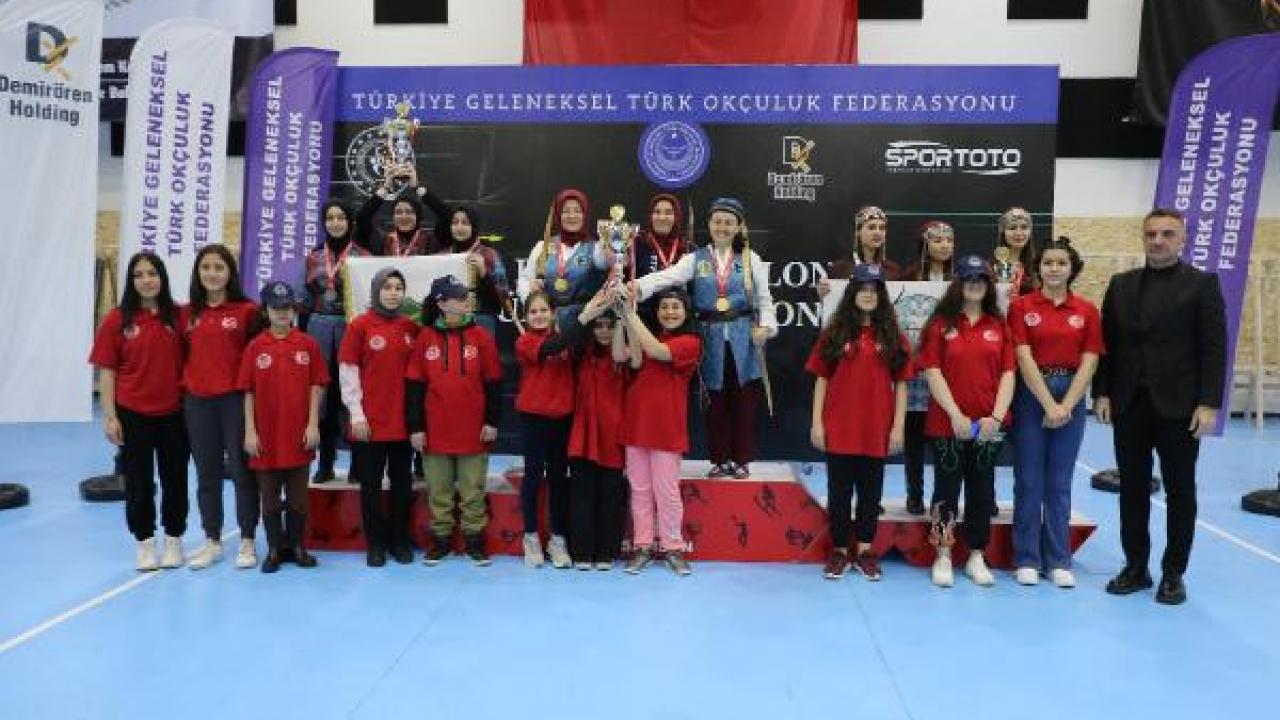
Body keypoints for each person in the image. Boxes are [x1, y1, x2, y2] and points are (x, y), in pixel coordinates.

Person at [1094, 209, 1227, 605]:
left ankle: (1173, 572)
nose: (1158, 240)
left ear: (1183, 239)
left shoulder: (1202, 285)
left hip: (1180, 407)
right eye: (1151, 234)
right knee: (1132, 490)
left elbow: (1214, 348)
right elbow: (1107, 346)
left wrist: (1208, 402)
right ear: (1143, 238)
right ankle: (1136, 567)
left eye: (1168, 234)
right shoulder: (1121, 285)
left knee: (1180, 491)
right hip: (1129, 404)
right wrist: (1102, 393)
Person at [635, 197, 777, 478]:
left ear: (739, 227)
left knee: (744, 402)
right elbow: (666, 277)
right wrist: (635, 287)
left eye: (729, 222)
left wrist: (767, 328)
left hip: (743, 337)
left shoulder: (751, 259)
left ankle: (742, 460)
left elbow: (765, 300)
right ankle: (720, 459)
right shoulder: (695, 259)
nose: (722, 227)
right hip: (709, 337)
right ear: (709, 225)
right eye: (717, 221)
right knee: (714, 401)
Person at [1007, 238, 1101, 588]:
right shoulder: (1021, 307)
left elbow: (1090, 360)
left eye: (1062, 263)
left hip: (1071, 393)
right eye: (1048, 262)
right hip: (1033, 394)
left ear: (1072, 269)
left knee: (1059, 483)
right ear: (1038, 268)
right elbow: (1022, 355)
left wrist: (1067, 405)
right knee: (1029, 480)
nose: (1054, 268)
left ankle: (1058, 560)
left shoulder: (1086, 311)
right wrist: (1048, 403)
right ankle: (1026, 558)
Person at [808, 264, 911, 581]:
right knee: (838, 493)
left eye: (874, 289)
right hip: (839, 428)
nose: (868, 295)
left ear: (881, 295)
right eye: (862, 289)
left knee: (870, 494)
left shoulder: (892, 336)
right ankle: (839, 551)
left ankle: (865, 551)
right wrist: (817, 423)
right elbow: (822, 379)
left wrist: (898, 426)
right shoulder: (835, 332)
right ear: (852, 293)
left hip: (876, 429)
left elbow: (902, 383)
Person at [917, 255, 1016, 588]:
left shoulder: (999, 326)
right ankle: (943, 555)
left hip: (990, 426)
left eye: (981, 279)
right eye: (969, 278)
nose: (975, 284)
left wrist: (996, 417)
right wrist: (955, 415)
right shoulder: (940, 325)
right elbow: (932, 372)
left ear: (988, 285)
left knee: (982, 489)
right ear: (958, 284)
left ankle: (976, 555)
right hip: (947, 424)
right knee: (945, 490)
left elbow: (1008, 374)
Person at [89, 252, 189, 571]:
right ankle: (144, 542)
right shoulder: (116, 320)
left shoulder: (179, 316)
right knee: (139, 482)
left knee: (175, 479)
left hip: (175, 413)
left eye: (152, 273)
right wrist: (110, 416)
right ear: (131, 281)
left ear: (162, 278)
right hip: (133, 413)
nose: (146, 280)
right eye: (139, 275)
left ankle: (173, 539)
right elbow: (107, 370)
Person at [406, 275, 503, 567]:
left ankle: (475, 541)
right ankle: (441, 541)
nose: (466, 301)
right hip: (435, 430)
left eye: (466, 295)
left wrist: (491, 421)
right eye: (460, 297)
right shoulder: (425, 338)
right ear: (442, 304)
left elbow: (493, 383)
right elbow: (415, 387)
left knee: (473, 490)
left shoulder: (482, 337)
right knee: (439, 491)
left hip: (473, 430)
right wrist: (416, 427)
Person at [240, 281, 328, 574]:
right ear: (266, 311)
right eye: (275, 308)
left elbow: (316, 386)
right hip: (265, 437)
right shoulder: (255, 347)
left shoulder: (308, 344)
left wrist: (313, 424)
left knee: (298, 497)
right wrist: (250, 431)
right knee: (269, 497)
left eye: (287, 307)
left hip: (298, 434)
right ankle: (275, 548)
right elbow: (248, 391)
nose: (282, 313)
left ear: (294, 310)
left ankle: (297, 546)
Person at [181, 245, 260, 570]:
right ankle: (212, 539)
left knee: (242, 472)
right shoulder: (186, 314)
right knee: (206, 474)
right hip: (198, 404)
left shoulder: (248, 311)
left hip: (234, 403)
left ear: (230, 273)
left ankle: (247, 539)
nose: (212, 273)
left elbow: (256, 361)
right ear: (198, 273)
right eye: (206, 267)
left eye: (219, 267)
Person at [618, 287, 702, 576]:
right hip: (636, 426)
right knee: (640, 491)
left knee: (666, 493)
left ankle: (673, 548)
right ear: (657, 312)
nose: (669, 312)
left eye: (675, 307)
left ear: (686, 312)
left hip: (667, 431)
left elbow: (656, 351)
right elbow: (627, 355)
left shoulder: (690, 342)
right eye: (664, 307)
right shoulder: (649, 337)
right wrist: (624, 314)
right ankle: (642, 546)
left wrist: (630, 313)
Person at [338, 268, 419, 567]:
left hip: (402, 423)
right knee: (370, 486)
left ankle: (399, 540)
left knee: (402, 485)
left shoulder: (410, 326)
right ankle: (375, 544)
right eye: (387, 287)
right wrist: (357, 415)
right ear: (376, 291)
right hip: (368, 423)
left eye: (398, 287)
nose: (393, 293)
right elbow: (348, 372)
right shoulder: (359, 326)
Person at [555, 289, 629, 570]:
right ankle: (582, 552)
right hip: (582, 436)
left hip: (613, 436)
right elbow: (571, 334)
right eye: (599, 326)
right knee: (582, 495)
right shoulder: (580, 353)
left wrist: (621, 316)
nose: (604, 331)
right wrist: (593, 310)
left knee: (610, 496)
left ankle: (606, 552)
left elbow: (624, 349)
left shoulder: (623, 356)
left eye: (610, 326)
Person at [303, 199, 373, 483]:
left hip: (351, 326)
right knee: (323, 396)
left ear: (350, 222)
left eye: (341, 217)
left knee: (352, 393)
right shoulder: (314, 257)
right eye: (330, 218)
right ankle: (326, 462)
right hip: (319, 327)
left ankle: (358, 463)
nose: (335, 223)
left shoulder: (363, 256)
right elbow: (306, 298)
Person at [513, 290, 575, 569]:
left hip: (562, 418)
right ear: (526, 317)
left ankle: (557, 539)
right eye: (533, 312)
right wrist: (582, 320)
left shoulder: (565, 342)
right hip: (533, 418)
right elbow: (550, 349)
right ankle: (531, 537)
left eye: (543, 310)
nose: (538, 316)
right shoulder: (524, 341)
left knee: (559, 479)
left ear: (553, 313)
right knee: (533, 476)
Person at [518, 189, 612, 324]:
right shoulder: (543, 246)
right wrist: (531, 295)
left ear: (585, 215)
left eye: (577, 211)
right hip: (549, 324)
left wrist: (613, 253)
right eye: (565, 211)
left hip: (585, 323)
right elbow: (525, 279)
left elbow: (606, 263)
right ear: (558, 215)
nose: (571, 216)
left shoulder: (597, 249)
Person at [433, 204, 514, 337]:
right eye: (455, 223)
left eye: (465, 223)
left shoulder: (489, 255)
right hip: (448, 322)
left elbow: (505, 301)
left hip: (480, 321)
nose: (459, 227)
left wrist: (484, 273)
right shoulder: (443, 256)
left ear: (474, 226)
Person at [357, 162, 449, 257]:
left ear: (418, 216)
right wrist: (386, 187)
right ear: (393, 217)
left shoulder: (432, 241)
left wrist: (417, 187)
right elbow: (362, 219)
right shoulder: (383, 242)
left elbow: (447, 216)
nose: (403, 217)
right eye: (398, 212)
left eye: (409, 212)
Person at [819, 205, 905, 289]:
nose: (877, 232)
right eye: (871, 227)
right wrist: (822, 295)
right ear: (858, 231)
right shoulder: (840, 268)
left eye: (882, 228)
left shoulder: (893, 270)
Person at [993, 207, 1038, 296]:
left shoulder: (1037, 266)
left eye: (1024, 227)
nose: (1018, 233)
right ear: (1003, 232)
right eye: (1012, 228)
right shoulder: (997, 265)